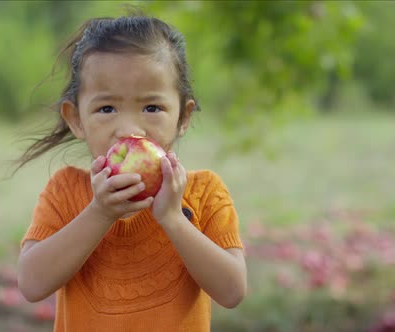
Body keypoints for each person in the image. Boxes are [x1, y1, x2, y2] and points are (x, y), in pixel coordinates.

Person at [15, 13, 247, 332]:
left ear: (183, 116)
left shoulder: (204, 193)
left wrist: (173, 219)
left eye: (152, 108)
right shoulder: (66, 191)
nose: (128, 129)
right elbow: (31, 283)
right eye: (106, 108)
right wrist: (99, 213)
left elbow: (232, 291)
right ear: (76, 118)